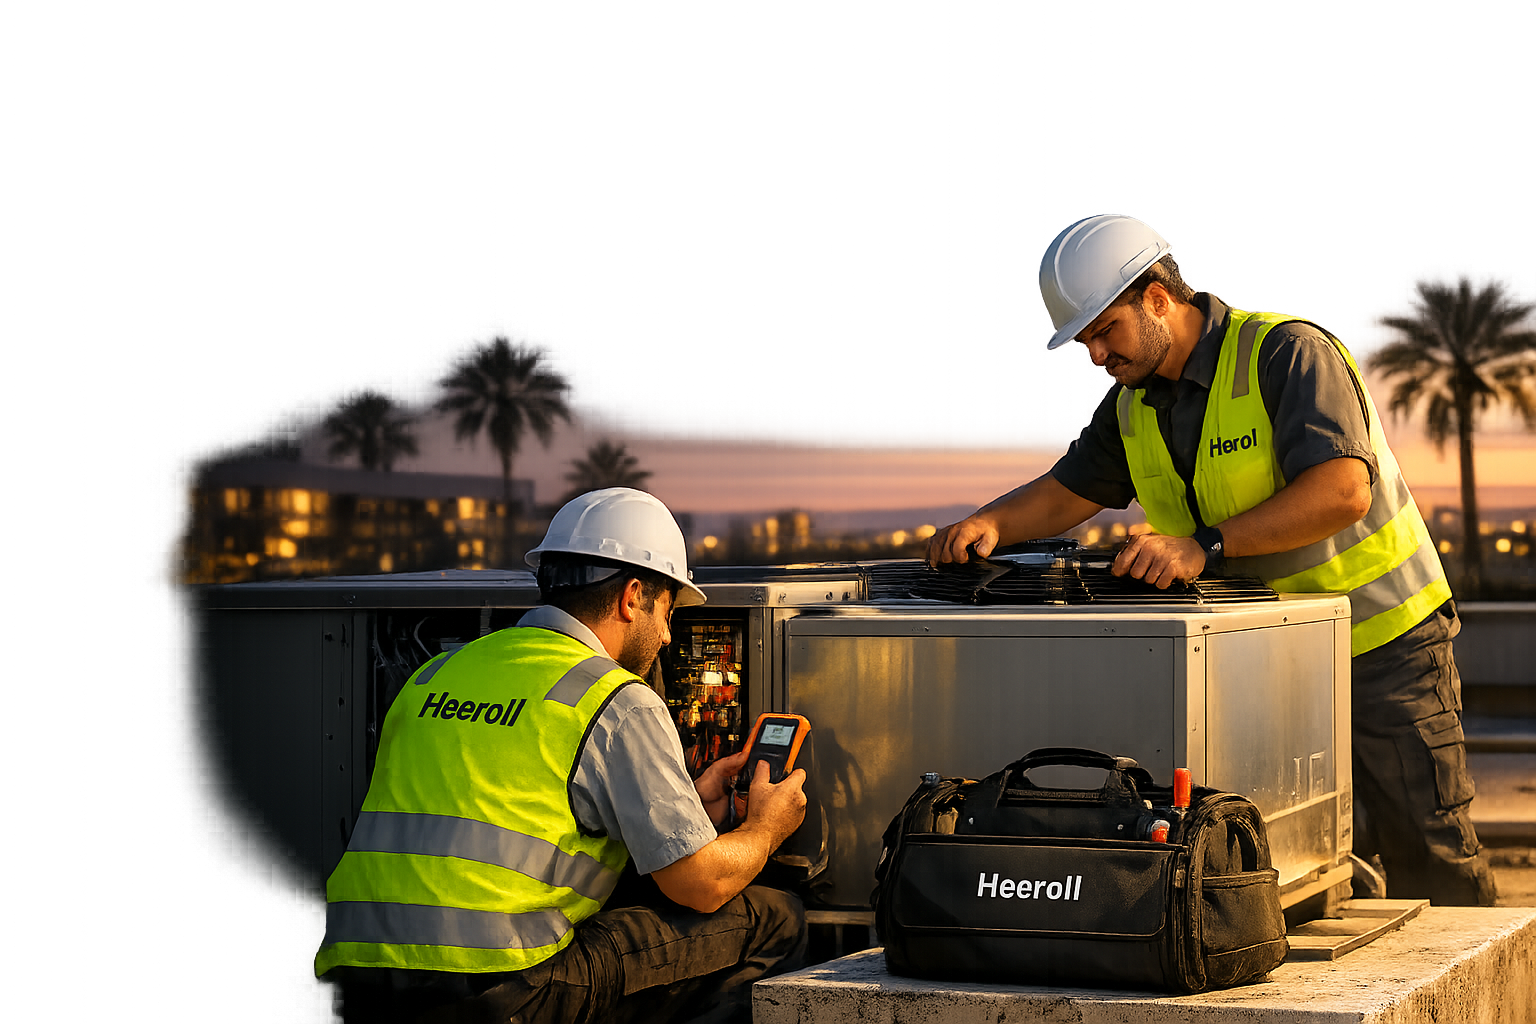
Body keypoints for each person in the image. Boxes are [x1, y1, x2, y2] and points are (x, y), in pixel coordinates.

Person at [927, 213, 1496, 907]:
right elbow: (1065, 491)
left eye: (1105, 331)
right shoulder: (1131, 409)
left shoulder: (1285, 354)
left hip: (1382, 649)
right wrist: (987, 521)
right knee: (1298, 861)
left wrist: (1204, 547)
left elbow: (1344, 490)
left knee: (1429, 848)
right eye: (1084, 342)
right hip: (1271, 667)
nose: (1096, 356)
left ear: (1158, 297)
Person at [316, 487, 809, 1023]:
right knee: (776, 919)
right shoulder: (615, 698)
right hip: (500, 991)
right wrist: (765, 828)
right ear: (632, 597)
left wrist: (687, 807)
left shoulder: (435, 674)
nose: (668, 636)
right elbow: (699, 885)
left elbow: (503, 810)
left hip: (360, 984)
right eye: (668, 610)